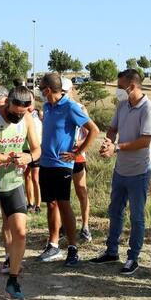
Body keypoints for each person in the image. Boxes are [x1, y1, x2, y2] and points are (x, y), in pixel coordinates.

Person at [92, 69, 151, 274]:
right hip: (120, 170)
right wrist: (108, 142)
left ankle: (133, 257)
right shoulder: (122, 105)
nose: (118, 90)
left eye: (120, 87)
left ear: (132, 86)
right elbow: (113, 129)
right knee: (115, 211)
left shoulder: (149, 109)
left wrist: (117, 148)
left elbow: (145, 141)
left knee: (136, 216)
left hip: (139, 171)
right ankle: (111, 251)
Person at [36, 72, 99, 266]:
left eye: (41, 88)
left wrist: (77, 152)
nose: (39, 92)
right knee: (51, 204)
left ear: (48, 90)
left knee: (64, 204)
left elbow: (94, 130)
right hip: (45, 163)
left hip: (62, 164)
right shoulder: (47, 107)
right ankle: (53, 245)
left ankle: (73, 248)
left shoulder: (71, 107)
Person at [0, 86, 40, 300]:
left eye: (22, 113)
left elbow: (37, 149)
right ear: (7, 103)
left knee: (20, 231)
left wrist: (28, 157)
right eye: (14, 113)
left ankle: (13, 281)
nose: (18, 117)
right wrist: (8, 158)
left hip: (14, 182)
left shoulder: (27, 119)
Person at [62, 77, 92, 243]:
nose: (63, 94)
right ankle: (63, 226)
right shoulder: (55, 108)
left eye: (65, 91)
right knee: (62, 194)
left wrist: (77, 145)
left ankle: (85, 226)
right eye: (61, 91)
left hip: (77, 156)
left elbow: (89, 134)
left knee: (81, 190)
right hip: (61, 157)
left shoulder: (80, 108)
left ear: (72, 90)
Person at [23, 104, 42, 213]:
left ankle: (38, 205)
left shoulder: (37, 118)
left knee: (35, 178)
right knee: (27, 176)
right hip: (25, 149)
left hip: (35, 149)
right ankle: (30, 203)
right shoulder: (23, 116)